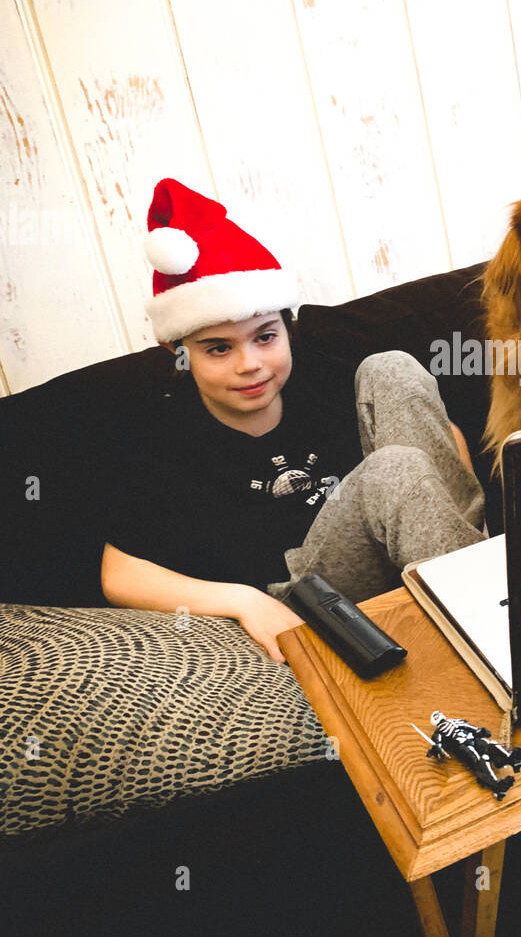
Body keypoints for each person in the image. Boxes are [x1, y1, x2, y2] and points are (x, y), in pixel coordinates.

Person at [100, 178, 485, 663]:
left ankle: (475, 567)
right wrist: (244, 602)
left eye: (265, 337)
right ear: (178, 354)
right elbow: (118, 574)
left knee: (393, 367)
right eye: (219, 348)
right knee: (396, 468)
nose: (250, 364)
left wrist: (439, 523)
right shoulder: (168, 435)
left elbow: (441, 438)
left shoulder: (322, 379)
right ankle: (479, 604)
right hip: (306, 596)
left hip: (417, 554)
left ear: (287, 328)